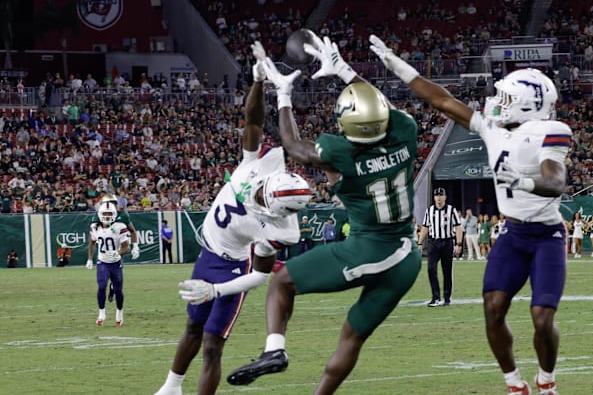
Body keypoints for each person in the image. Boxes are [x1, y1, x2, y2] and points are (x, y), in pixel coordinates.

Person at [370, 35, 570, 394]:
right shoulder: (492, 129)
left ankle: (546, 380)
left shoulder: (548, 131)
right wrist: (397, 66)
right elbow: (442, 100)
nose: (497, 102)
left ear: (526, 106)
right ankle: (514, 383)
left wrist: (523, 183)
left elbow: (555, 181)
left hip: (546, 235)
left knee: (542, 318)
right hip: (513, 233)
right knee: (493, 307)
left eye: (506, 98)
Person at [225, 35, 421, 394]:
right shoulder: (405, 132)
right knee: (351, 337)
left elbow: (293, 146)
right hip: (408, 255)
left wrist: (283, 94)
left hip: (372, 249)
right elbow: (379, 106)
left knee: (282, 283)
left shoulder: (339, 153)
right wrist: (345, 71)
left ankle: (274, 350)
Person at [153, 42, 312, 395]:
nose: (256, 194)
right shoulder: (260, 166)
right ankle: (171, 387)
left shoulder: (280, 229)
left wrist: (216, 289)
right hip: (207, 255)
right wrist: (258, 79)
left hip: (231, 269)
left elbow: (258, 275)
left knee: (212, 344)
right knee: (192, 329)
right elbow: (253, 119)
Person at [86, 201, 131, 326]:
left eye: (109, 213)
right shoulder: (95, 227)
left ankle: (119, 312)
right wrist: (90, 258)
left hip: (115, 263)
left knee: (118, 290)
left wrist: (118, 252)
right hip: (102, 262)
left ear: (114, 214)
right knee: (101, 286)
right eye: (104, 213)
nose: (106, 216)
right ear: (100, 214)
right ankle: (102, 313)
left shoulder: (119, 227)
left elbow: (127, 248)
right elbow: (91, 243)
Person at [418, 187, 463, 306]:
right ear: (434, 197)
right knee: (431, 269)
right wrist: (420, 242)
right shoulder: (430, 210)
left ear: (445, 197)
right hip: (433, 243)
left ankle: (447, 298)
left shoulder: (451, 210)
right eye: (436, 195)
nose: (438, 198)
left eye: (440, 195)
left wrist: (458, 244)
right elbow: (425, 227)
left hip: (447, 242)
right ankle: (436, 297)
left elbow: (458, 227)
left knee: (446, 271)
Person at [90, 194, 140, 260]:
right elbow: (93, 233)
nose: (111, 206)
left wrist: (135, 246)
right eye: (109, 203)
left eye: (113, 203)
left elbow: (132, 230)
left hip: (118, 244)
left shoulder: (122, 214)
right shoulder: (99, 215)